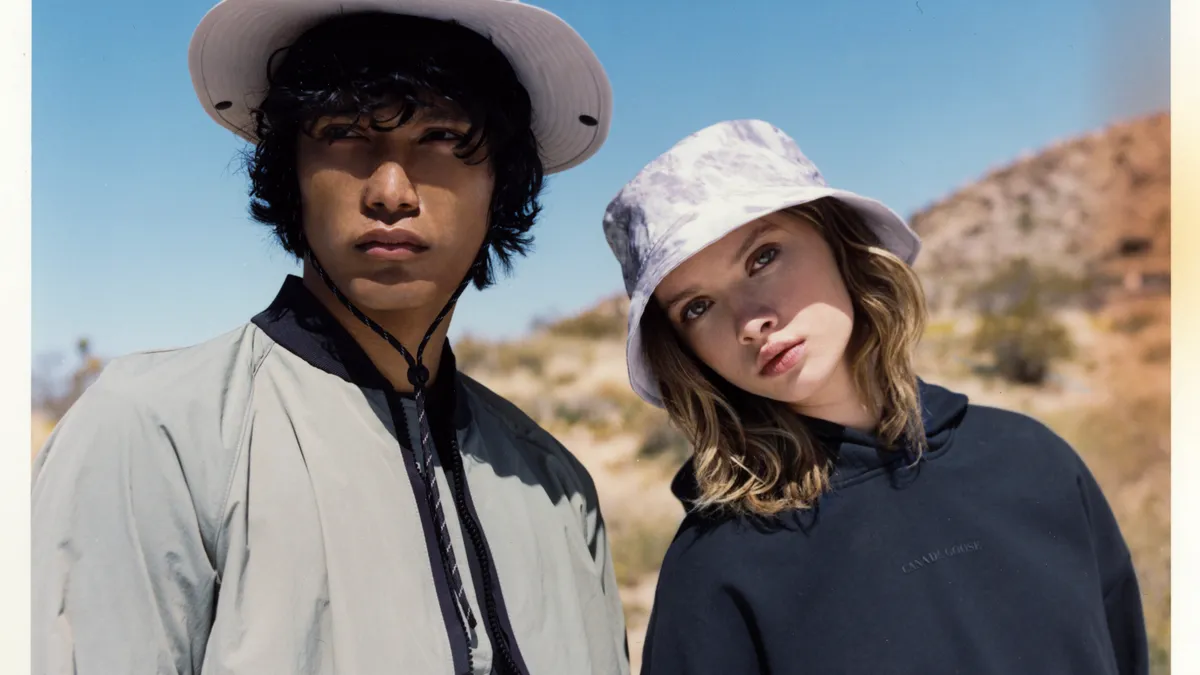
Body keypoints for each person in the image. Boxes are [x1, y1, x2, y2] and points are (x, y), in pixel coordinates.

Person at [32, 2, 629, 674]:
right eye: (344, 131)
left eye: (441, 136)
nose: (391, 190)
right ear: (290, 170)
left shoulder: (556, 485)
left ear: (501, 182)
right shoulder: (158, 434)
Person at [601, 119, 1148, 674]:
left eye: (762, 257)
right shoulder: (717, 567)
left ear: (838, 243)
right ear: (686, 353)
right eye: (697, 307)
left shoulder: (1035, 462)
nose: (750, 321)